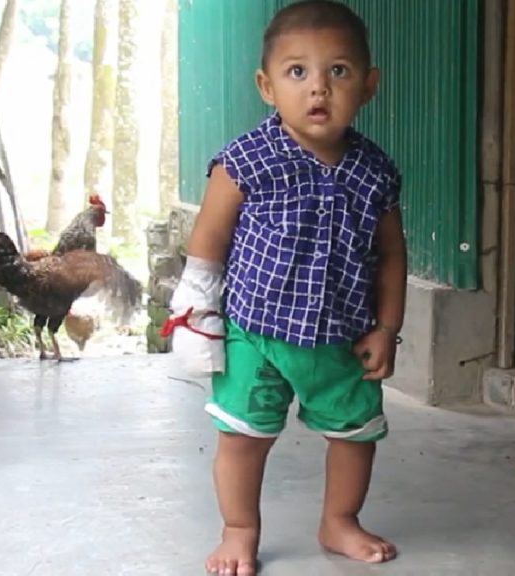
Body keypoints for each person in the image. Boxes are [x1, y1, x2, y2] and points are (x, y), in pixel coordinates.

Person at [166, 1, 406, 573]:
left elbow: (392, 255)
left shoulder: (375, 172)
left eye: (338, 71)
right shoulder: (245, 161)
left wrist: (387, 327)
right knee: (242, 437)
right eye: (297, 71)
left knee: (356, 434)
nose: (318, 87)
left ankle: (339, 521)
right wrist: (198, 317)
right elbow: (207, 243)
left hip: (342, 338)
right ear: (267, 86)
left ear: (369, 86)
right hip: (256, 332)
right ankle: (239, 529)